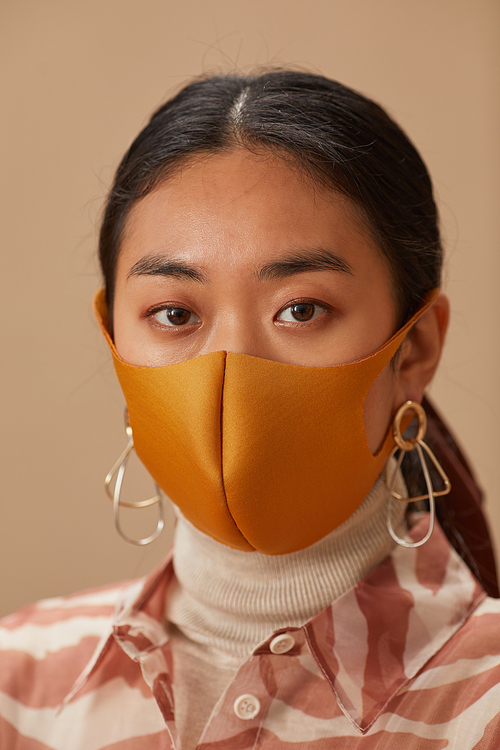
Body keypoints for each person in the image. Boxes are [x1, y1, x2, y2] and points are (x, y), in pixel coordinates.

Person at [1, 70, 499, 749]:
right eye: (174, 313)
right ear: (116, 344)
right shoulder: (16, 684)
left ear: (413, 349)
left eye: (301, 309)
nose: (230, 368)